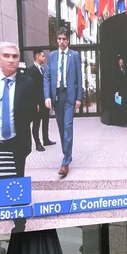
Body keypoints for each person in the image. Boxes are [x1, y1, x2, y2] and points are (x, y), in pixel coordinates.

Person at [43, 26, 82, 178]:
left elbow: (79, 77)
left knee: (67, 127)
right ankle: (68, 154)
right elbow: (47, 77)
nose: (61, 42)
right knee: (60, 128)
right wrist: (47, 96)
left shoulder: (74, 56)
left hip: (69, 96)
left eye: (64, 39)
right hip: (57, 97)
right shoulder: (52, 56)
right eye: (59, 39)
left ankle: (65, 163)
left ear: (68, 40)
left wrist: (79, 98)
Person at [0, 42, 35, 180]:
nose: (11, 60)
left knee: (15, 185)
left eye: (15, 56)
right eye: (6, 56)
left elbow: (31, 112)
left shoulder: (27, 83)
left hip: (16, 142)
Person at [25, 49, 53, 151]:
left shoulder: (43, 70)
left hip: (44, 101)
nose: (44, 58)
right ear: (37, 57)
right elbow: (30, 88)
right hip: (36, 103)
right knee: (36, 123)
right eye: (42, 56)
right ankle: (37, 143)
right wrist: (34, 103)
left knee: (46, 121)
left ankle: (46, 139)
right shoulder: (31, 70)